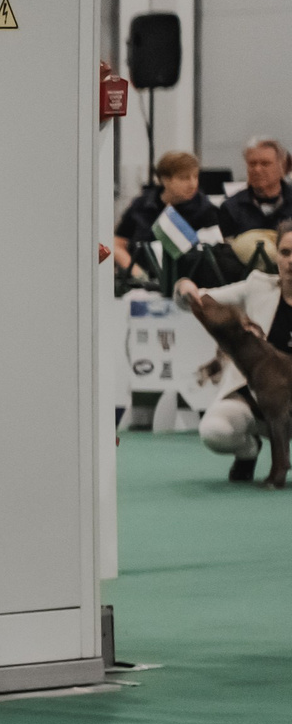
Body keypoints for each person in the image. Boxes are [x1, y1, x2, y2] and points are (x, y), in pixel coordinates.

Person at [183, 240, 292, 481]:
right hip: (252, 402)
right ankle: (249, 452)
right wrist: (184, 285)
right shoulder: (257, 286)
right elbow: (197, 299)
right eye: (285, 252)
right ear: (277, 257)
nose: (291, 260)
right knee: (215, 431)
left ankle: (280, 465)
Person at [110, 150, 224, 278]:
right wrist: (137, 273)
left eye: (195, 177)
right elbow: (118, 244)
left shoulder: (206, 210)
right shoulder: (141, 205)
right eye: (184, 178)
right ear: (165, 180)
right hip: (140, 280)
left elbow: (214, 256)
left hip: (187, 282)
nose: (192, 184)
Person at [218, 137, 288, 237]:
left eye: (265, 163)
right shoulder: (231, 209)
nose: (257, 170)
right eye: (252, 164)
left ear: (281, 167)